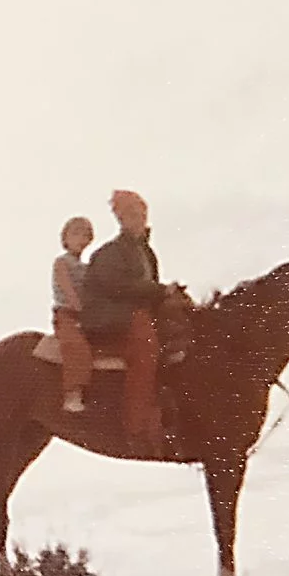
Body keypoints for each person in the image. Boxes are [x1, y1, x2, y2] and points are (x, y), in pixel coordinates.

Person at [80, 190, 181, 454]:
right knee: (145, 349)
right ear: (120, 218)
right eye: (131, 215)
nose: (138, 219)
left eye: (141, 214)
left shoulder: (145, 252)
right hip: (109, 316)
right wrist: (160, 291)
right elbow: (117, 286)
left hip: (136, 311)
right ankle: (136, 429)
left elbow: (147, 288)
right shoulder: (109, 253)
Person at [52, 216, 95, 413]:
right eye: (76, 233)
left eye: (85, 234)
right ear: (65, 238)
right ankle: (72, 393)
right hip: (67, 314)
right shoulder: (61, 263)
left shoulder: (88, 268)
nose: (81, 238)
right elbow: (67, 289)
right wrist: (80, 309)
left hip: (87, 315)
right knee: (75, 345)